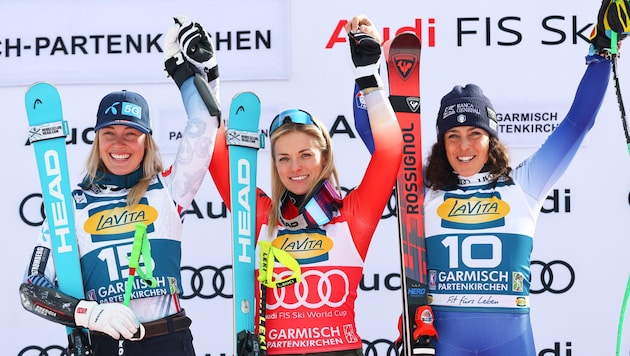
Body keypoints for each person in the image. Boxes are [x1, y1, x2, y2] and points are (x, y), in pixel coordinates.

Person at [421, 1, 627, 354]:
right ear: (442, 143)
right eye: (452, 136)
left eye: (475, 134)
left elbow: (578, 123)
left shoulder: (523, 185)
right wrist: (364, 76)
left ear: (492, 140)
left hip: (511, 340)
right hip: (445, 341)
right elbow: (377, 142)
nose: (464, 145)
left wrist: (601, 52)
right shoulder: (424, 192)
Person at [19, 16, 221, 355]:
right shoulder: (69, 206)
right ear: (97, 140)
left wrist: (191, 71)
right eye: (109, 133)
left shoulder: (169, 190)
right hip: (104, 345)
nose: (120, 143)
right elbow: (32, 288)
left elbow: (204, 123)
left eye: (131, 133)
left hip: (169, 341)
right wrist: (89, 313)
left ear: (147, 142)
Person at [208, 14, 402, 356]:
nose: (294, 167)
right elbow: (214, 153)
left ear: (324, 156)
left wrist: (369, 77)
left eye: (305, 155)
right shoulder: (262, 217)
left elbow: (389, 152)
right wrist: (206, 80)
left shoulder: (352, 214)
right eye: (283, 158)